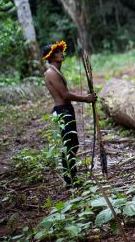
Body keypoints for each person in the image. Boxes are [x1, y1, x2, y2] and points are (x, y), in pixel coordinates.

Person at [42, 41, 97, 188]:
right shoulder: (51, 73)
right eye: (58, 52)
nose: (62, 53)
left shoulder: (55, 71)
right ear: (51, 56)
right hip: (63, 110)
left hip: (66, 109)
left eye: (61, 51)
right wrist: (86, 99)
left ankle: (71, 178)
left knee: (72, 144)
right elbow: (65, 95)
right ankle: (70, 181)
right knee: (69, 145)